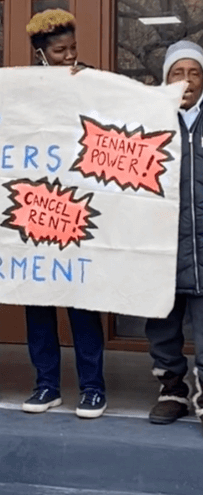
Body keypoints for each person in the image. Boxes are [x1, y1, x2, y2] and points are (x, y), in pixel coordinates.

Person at [21, 10, 107, 418]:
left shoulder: (93, 81)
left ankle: (92, 387)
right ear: (40, 54)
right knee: (38, 303)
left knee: (82, 303)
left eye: (73, 49)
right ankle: (46, 385)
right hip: (34, 209)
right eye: (59, 51)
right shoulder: (19, 87)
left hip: (77, 208)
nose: (69, 56)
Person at [145, 40, 203, 428]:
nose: (186, 80)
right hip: (159, 248)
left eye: (194, 72)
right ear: (165, 79)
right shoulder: (146, 121)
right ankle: (172, 391)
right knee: (162, 325)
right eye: (177, 73)